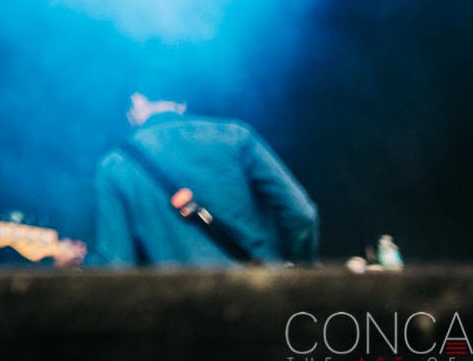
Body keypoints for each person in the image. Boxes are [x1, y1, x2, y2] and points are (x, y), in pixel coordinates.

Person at [90, 91, 319, 267]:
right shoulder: (236, 135)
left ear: (137, 99)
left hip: (181, 316)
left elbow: (116, 263)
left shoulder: (115, 165)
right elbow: (302, 215)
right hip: (261, 300)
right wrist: (297, 268)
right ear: (182, 103)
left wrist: (70, 263)